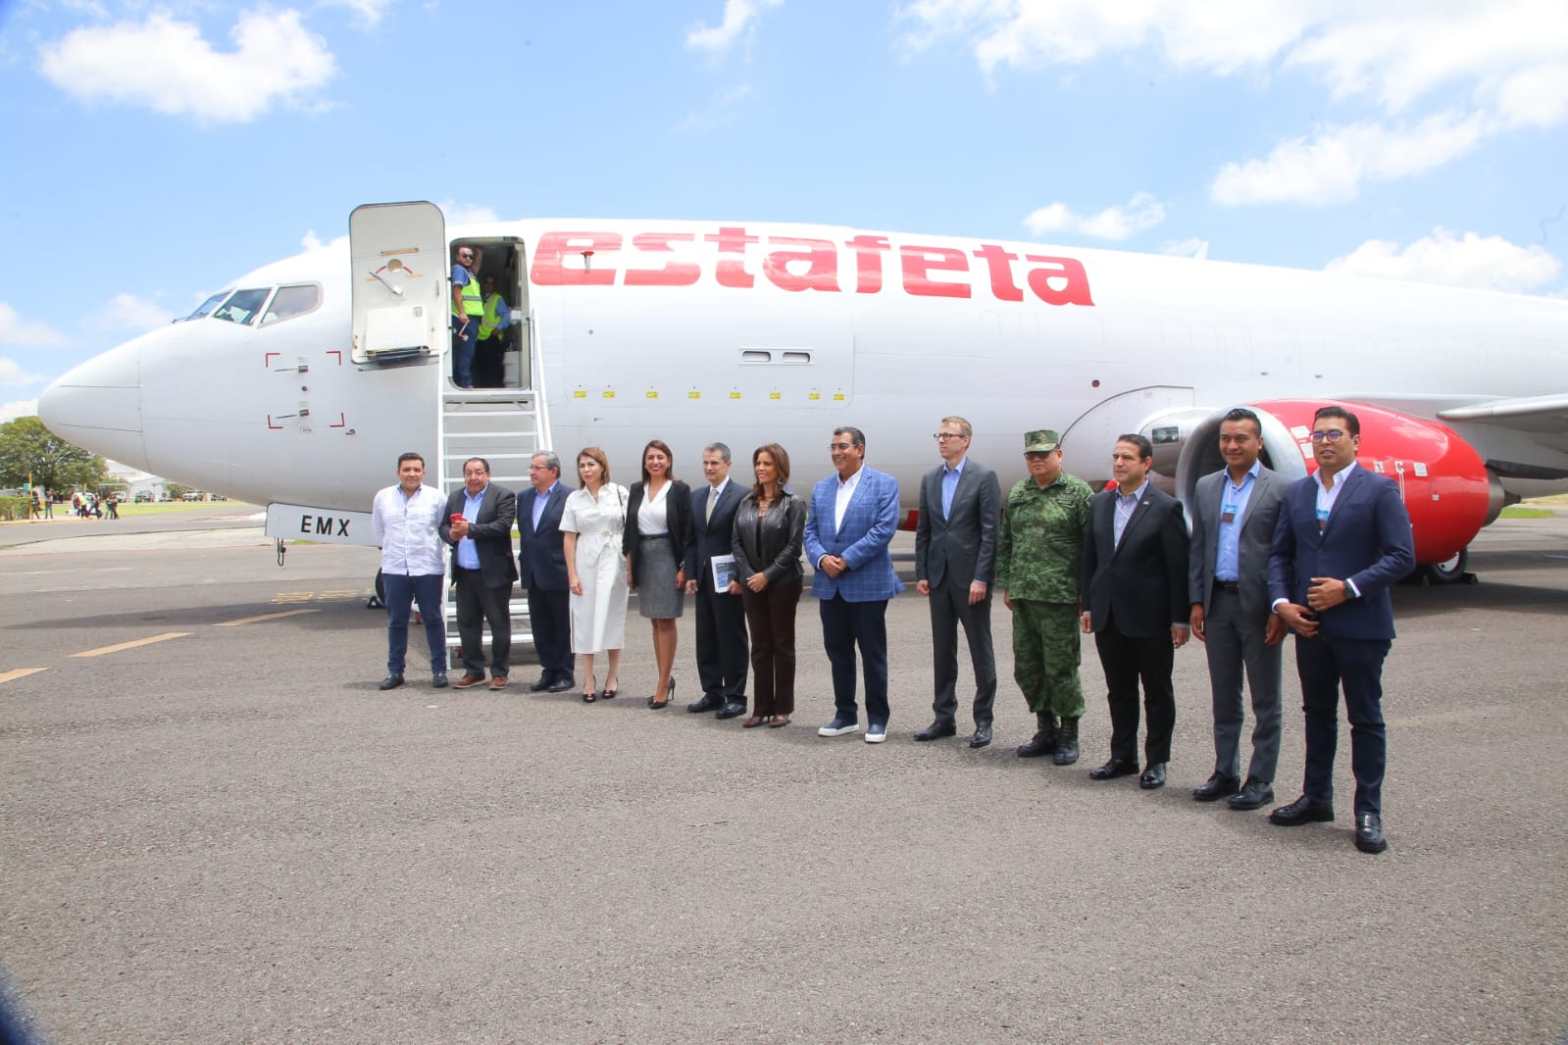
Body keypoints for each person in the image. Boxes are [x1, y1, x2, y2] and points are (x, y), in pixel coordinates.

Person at [1268, 405, 1414, 854]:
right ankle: (1316, 797)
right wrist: (1281, 604)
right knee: (1316, 714)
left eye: (1334, 434)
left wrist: (1347, 588)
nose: (1325, 442)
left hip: (1361, 625)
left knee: (1364, 718)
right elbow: (1280, 555)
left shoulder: (1379, 490)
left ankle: (1368, 810)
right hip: (1310, 626)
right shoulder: (1298, 493)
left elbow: (1401, 556)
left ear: (1356, 441)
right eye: (1318, 435)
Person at [1187, 408, 1288, 810]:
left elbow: (1285, 553)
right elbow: (1199, 547)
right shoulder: (1207, 486)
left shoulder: (1281, 488)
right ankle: (1225, 772)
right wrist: (1197, 600)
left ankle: (1261, 780)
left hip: (1260, 607)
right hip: (1218, 604)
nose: (1231, 445)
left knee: (1266, 699)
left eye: (1241, 438)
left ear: (1258, 443)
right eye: (1225, 438)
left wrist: (1280, 606)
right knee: (1224, 695)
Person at [1080, 434, 1190, 790]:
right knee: (1119, 691)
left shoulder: (1165, 508)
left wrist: (1179, 617)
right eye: (1116, 456)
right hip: (1109, 614)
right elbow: (1090, 559)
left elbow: (1177, 567)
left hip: (1150, 617)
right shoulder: (1099, 503)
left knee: (1157, 692)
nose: (1119, 463)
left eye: (1127, 457)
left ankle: (1157, 761)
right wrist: (1087, 604)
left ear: (1146, 463)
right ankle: (1123, 756)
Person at [995, 429, 1094, 765]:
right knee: (1028, 667)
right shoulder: (1018, 492)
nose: (1037, 460)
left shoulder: (1077, 493)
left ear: (1059, 455)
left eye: (1044, 454)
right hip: (1024, 595)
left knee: (1061, 668)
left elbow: (1091, 547)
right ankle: (1045, 728)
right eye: (1031, 455)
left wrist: (1086, 593)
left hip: (1060, 597)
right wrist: (1008, 582)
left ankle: (1069, 732)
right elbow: (1006, 541)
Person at [803, 426, 903, 743]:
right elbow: (810, 532)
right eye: (833, 446)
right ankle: (845, 714)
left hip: (867, 583)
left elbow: (883, 529)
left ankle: (878, 718)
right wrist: (821, 559)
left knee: (872, 654)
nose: (836, 452)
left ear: (860, 449)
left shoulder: (884, 484)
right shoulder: (821, 488)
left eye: (843, 446)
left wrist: (846, 559)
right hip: (830, 584)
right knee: (838, 652)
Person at [914, 416, 1001, 748]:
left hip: (970, 579)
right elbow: (925, 530)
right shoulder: (930, 479)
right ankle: (943, 717)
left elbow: (990, 532)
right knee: (943, 650)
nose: (942, 440)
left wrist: (982, 577)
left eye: (949, 435)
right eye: (939, 435)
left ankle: (983, 720)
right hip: (939, 577)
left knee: (980, 649)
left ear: (966, 440)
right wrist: (922, 572)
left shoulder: (984, 477)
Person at [731, 443, 806, 729]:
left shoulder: (793, 503)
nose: (761, 468)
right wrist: (750, 575)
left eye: (767, 463)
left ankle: (783, 708)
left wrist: (768, 575)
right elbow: (736, 542)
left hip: (783, 582)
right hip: (752, 583)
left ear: (780, 468)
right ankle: (761, 707)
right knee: (760, 646)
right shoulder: (746, 502)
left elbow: (794, 546)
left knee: (782, 645)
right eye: (758, 463)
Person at [623, 439, 693, 709]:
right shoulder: (636, 489)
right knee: (654, 621)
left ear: (669, 461)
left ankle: (663, 683)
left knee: (666, 620)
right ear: (644, 462)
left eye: (660, 457)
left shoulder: (679, 490)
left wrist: (684, 567)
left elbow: (687, 532)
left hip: (667, 556)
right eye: (651, 457)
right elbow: (630, 530)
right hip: (643, 556)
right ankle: (664, 677)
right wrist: (630, 566)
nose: (655, 462)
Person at [370, 452, 448, 690]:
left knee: (433, 619)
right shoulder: (383, 497)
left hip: (427, 567)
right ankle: (395, 671)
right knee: (396, 621)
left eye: (416, 469)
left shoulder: (436, 497)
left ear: (423, 472)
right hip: (395, 568)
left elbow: (443, 530)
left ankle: (439, 670)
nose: (411, 474)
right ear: (398, 472)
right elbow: (379, 531)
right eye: (406, 469)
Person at [439, 457, 519, 690]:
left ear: (488, 475)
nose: (473, 477)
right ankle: (474, 671)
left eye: (478, 472)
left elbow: (502, 526)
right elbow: (443, 527)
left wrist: (470, 529)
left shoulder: (502, 496)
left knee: (498, 624)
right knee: (467, 624)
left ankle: (499, 672)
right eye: (469, 473)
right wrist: (450, 535)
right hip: (465, 573)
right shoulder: (455, 497)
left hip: (493, 573)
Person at [684, 442, 749, 720]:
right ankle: (713, 692)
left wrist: (740, 577)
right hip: (703, 578)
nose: (709, 468)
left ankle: (735, 696)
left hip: (729, 581)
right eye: (706, 463)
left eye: (714, 463)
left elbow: (745, 540)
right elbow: (692, 540)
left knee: (731, 637)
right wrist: (690, 573)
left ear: (727, 464)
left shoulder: (742, 496)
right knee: (706, 637)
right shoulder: (697, 497)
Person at [560, 447, 630, 702]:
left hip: (615, 558)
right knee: (585, 619)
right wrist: (572, 575)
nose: (586, 470)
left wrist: (631, 567)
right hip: (586, 559)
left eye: (591, 464)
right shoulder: (574, 498)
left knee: (613, 617)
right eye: (582, 465)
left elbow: (631, 532)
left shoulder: (619, 493)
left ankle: (613, 675)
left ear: (602, 466)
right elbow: (569, 538)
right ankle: (588, 678)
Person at [518, 451, 575, 694]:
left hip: (558, 571)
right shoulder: (524, 497)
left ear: (553, 471)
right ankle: (548, 670)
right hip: (533, 572)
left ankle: (564, 673)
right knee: (540, 627)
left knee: (561, 626)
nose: (532, 472)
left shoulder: (569, 496)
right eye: (531, 467)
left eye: (537, 468)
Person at [450, 246, 483, 389]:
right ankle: (464, 383)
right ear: (457, 257)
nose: (468, 258)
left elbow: (476, 266)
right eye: (464, 255)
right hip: (464, 319)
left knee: (466, 352)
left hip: (470, 318)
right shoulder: (459, 270)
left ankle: (462, 382)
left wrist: (479, 252)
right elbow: (456, 291)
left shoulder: (469, 273)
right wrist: (461, 312)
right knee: (465, 352)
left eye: (471, 256)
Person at [474, 274, 512, 388]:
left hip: (492, 338)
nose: (488, 285)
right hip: (479, 338)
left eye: (491, 283)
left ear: (494, 286)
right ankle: (482, 388)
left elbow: (506, 316)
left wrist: (498, 328)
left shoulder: (497, 299)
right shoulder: (479, 299)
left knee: (494, 367)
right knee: (481, 367)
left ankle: (495, 388)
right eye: (487, 283)